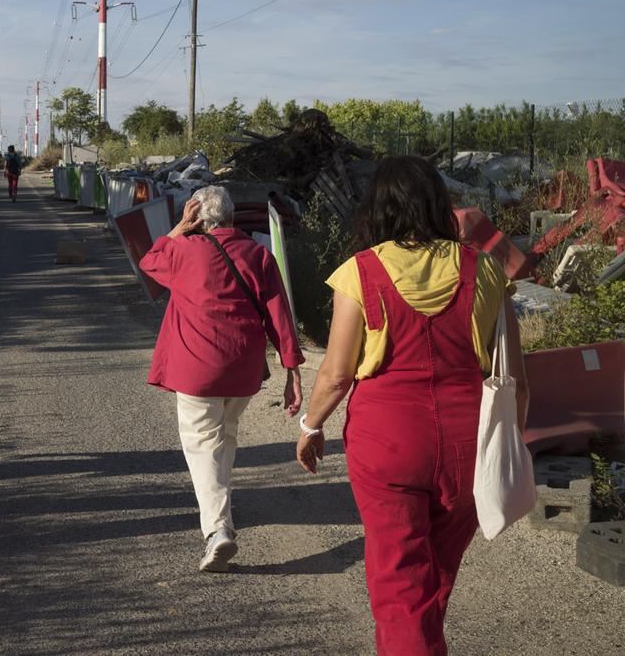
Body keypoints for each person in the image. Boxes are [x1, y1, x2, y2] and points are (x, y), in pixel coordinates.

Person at [296, 156, 528, 655]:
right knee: (435, 576)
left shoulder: (360, 273)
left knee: (401, 584)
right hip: (472, 440)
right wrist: (510, 445)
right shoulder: (486, 270)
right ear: (437, 203)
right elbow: (517, 379)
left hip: (388, 445)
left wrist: (310, 425)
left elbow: (336, 375)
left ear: (377, 209)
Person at [139, 185, 303, 572]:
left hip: (197, 371)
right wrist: (292, 372)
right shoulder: (258, 254)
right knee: (224, 436)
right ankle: (221, 508)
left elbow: (149, 261)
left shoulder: (182, 251)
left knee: (203, 446)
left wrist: (179, 228)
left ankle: (217, 530)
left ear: (197, 218)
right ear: (231, 217)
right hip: (242, 371)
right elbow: (280, 316)